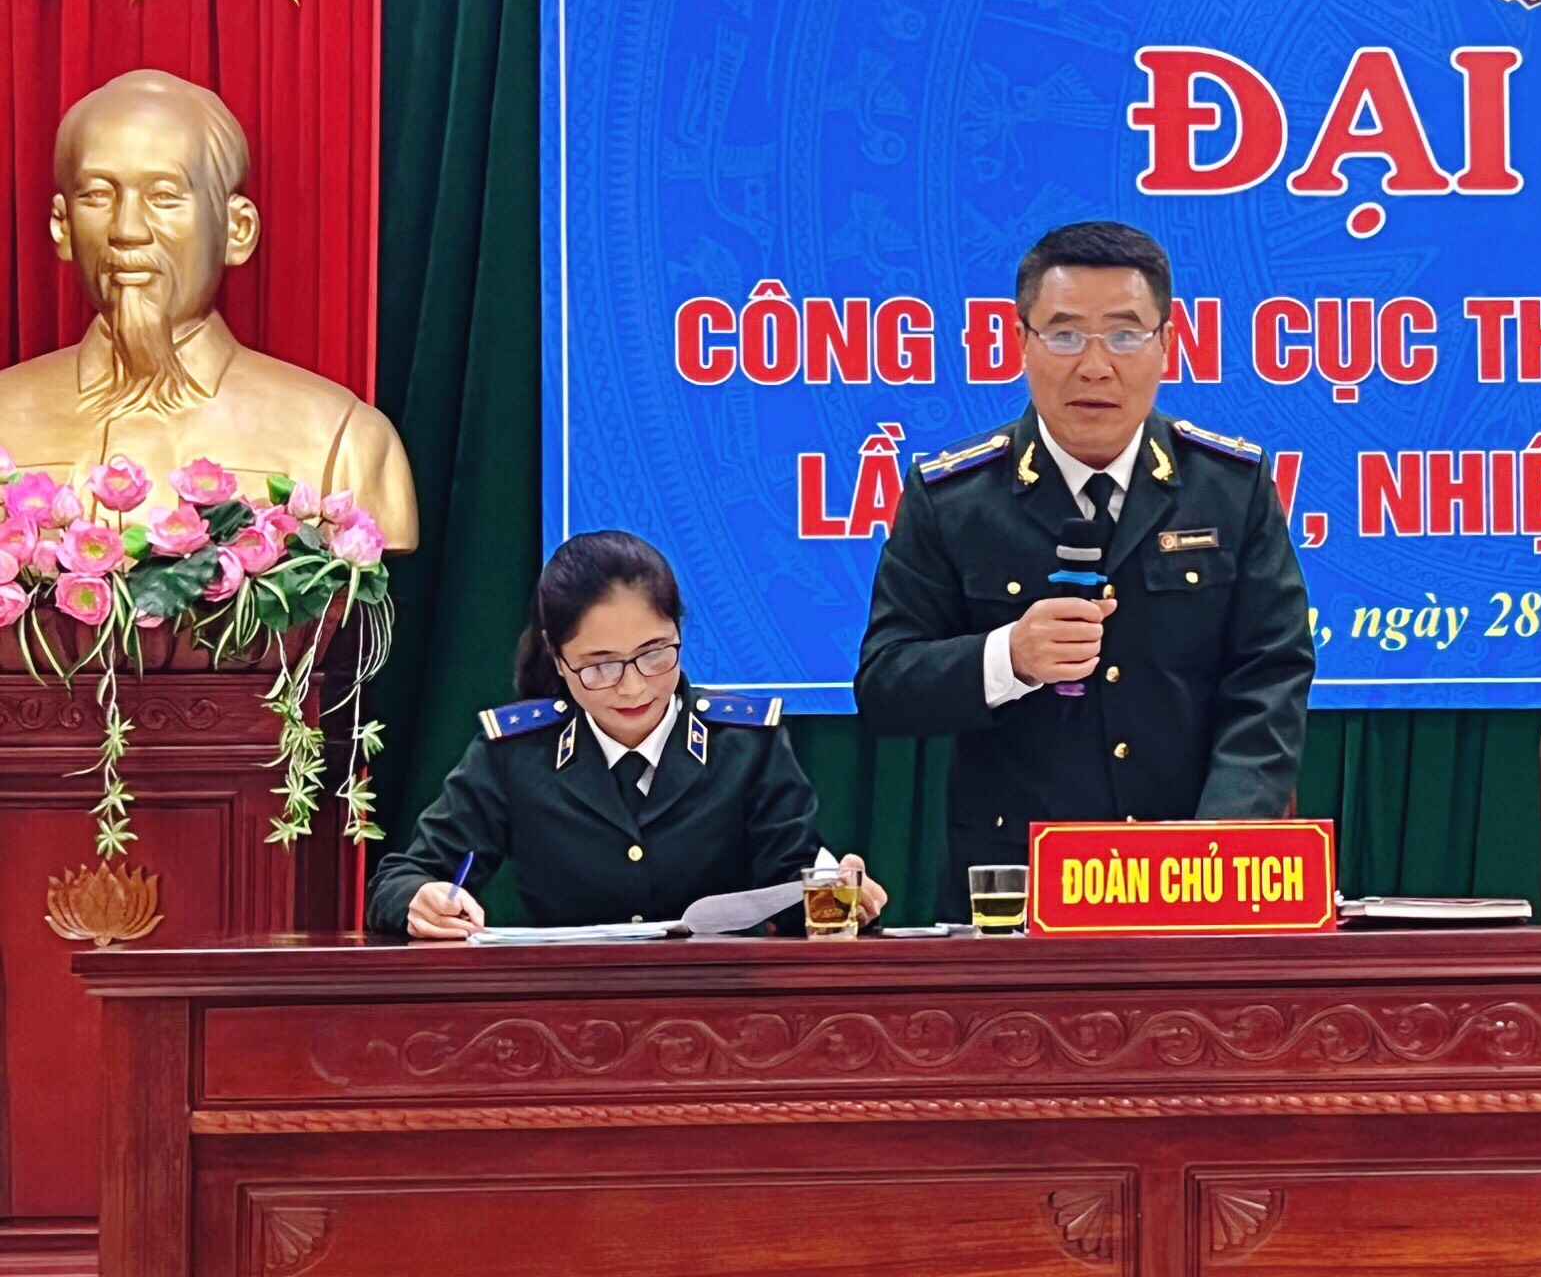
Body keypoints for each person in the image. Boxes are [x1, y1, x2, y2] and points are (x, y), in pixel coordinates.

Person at [856, 220, 1315, 921]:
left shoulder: (1230, 488)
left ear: (1167, 343)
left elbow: (1271, 676)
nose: (1096, 366)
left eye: (1125, 335)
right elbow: (885, 686)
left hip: (1192, 882)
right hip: (1014, 893)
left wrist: (1219, 846)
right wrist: (1008, 657)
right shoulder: (953, 499)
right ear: (1020, 342)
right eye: (1065, 335)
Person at [367, 531, 884, 939]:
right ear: (558, 658)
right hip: (567, 1010)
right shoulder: (515, 753)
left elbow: (791, 888)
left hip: (723, 1009)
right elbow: (402, 878)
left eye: (655, 654)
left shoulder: (745, 744)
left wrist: (839, 899)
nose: (634, 686)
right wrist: (419, 899)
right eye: (600, 666)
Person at [0, 69, 417, 548]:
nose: (127, 230)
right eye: (97, 195)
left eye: (163, 196)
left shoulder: (342, 443)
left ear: (237, 230)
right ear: (62, 226)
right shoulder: (7, 416)